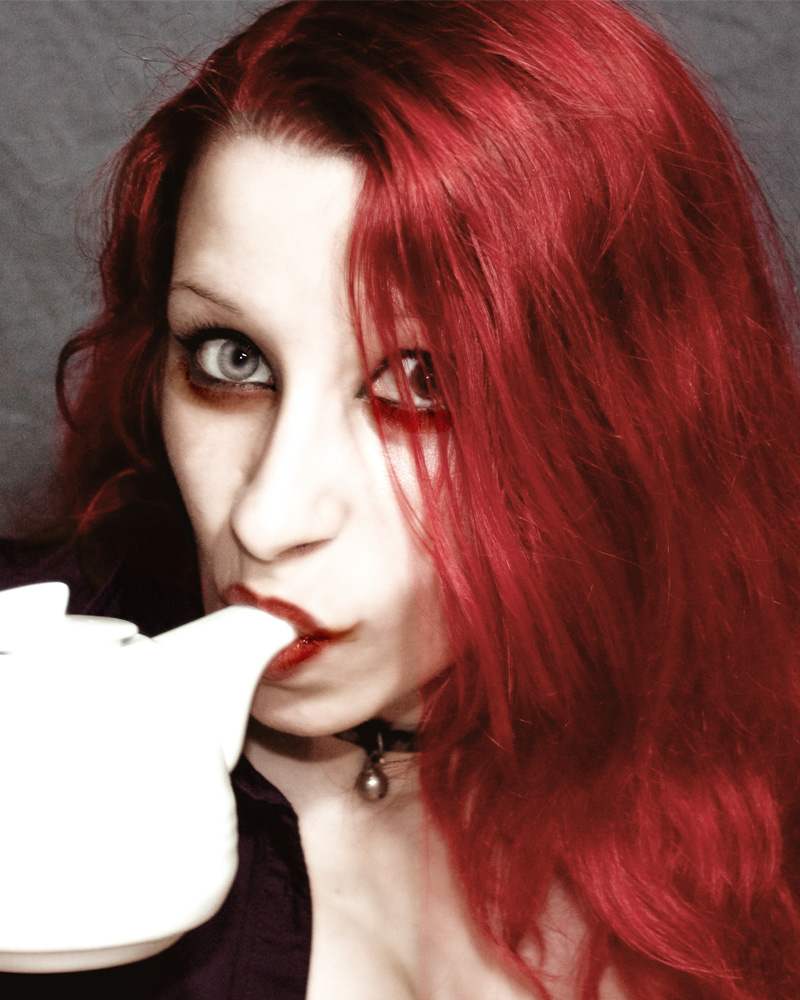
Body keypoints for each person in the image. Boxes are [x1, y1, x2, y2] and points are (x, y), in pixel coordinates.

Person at [2, 1, 800, 997]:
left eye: (421, 385)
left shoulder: (756, 762)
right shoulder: (45, 730)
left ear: (620, 415)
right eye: (232, 359)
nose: (266, 518)